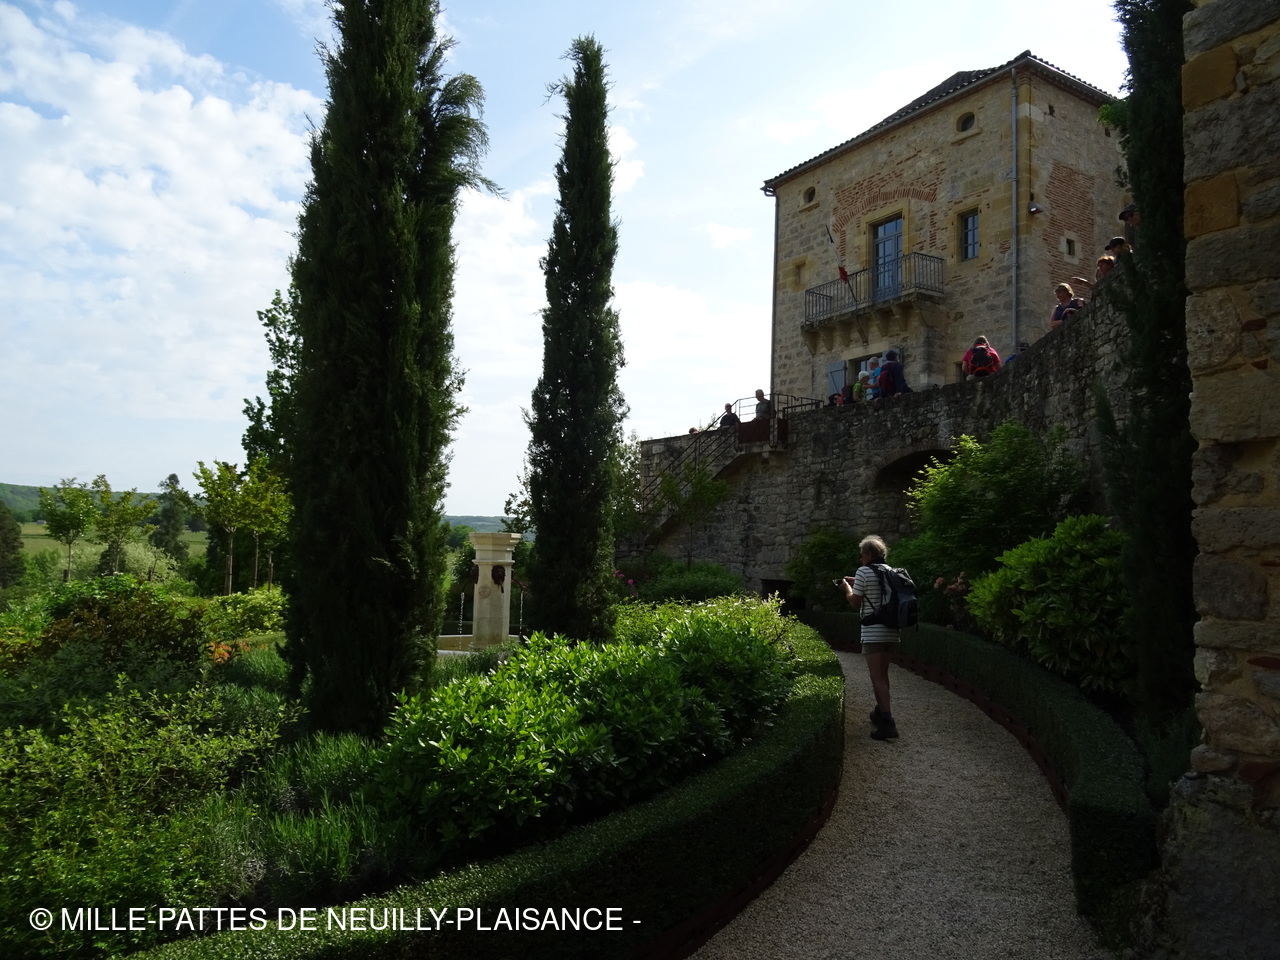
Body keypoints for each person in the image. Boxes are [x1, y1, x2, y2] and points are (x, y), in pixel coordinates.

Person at [839, 535, 900, 740]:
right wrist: (858, 583)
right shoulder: (890, 571)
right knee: (883, 675)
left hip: (873, 632)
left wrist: (847, 588)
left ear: (868, 554)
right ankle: (880, 712)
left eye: (861, 555)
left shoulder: (864, 571)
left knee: (876, 677)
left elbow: (855, 602)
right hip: (892, 631)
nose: (860, 559)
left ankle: (888, 724)